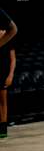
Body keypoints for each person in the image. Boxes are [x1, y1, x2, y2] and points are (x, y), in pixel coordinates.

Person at [0, 8, 18, 139]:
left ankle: (3, 127)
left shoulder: (8, 39)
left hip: (2, 70)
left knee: (2, 100)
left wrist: (10, 75)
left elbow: (13, 58)